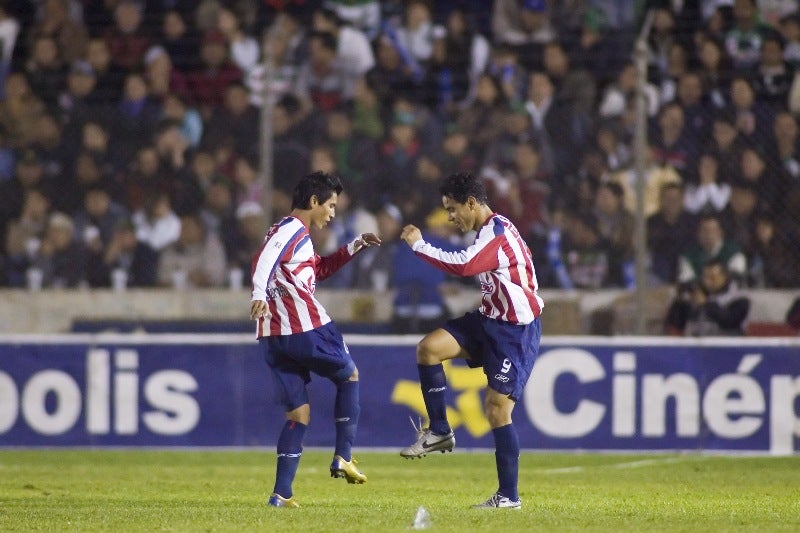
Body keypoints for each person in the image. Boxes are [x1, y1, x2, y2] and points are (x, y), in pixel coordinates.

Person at [397, 172, 544, 509]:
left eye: (452, 209)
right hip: (488, 319)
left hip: (515, 331)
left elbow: (464, 267)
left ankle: (508, 497)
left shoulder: (497, 232)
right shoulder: (485, 232)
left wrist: (420, 245)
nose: (450, 216)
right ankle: (439, 431)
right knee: (429, 349)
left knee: (496, 410)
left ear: (473, 203)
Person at [248, 171, 381, 508]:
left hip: (272, 336)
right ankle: (344, 456)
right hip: (305, 327)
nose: (333, 214)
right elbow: (264, 261)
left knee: (298, 415)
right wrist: (258, 293)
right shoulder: (292, 229)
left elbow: (316, 270)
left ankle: (281, 494)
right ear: (313, 202)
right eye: (331, 206)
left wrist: (354, 246)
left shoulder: (287, 235)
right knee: (349, 375)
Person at [664, 258, 751, 336]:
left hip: (727, 346)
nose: (708, 282)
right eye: (705, 277)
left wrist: (706, 304)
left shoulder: (739, 297)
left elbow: (730, 321)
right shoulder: (695, 293)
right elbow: (677, 323)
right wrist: (679, 301)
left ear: (725, 277)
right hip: (695, 346)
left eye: (713, 278)